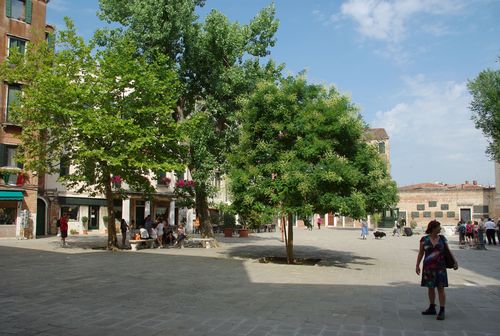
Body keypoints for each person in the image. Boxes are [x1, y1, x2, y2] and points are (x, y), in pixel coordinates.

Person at [416, 220, 458, 321]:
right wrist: (417, 265)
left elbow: (448, 250)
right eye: (439, 227)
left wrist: (455, 261)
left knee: (441, 288)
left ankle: (442, 310)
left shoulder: (442, 238)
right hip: (428, 267)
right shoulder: (424, 239)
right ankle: (432, 307)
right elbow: (421, 253)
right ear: (433, 228)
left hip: (440, 268)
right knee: (430, 287)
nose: (440, 228)